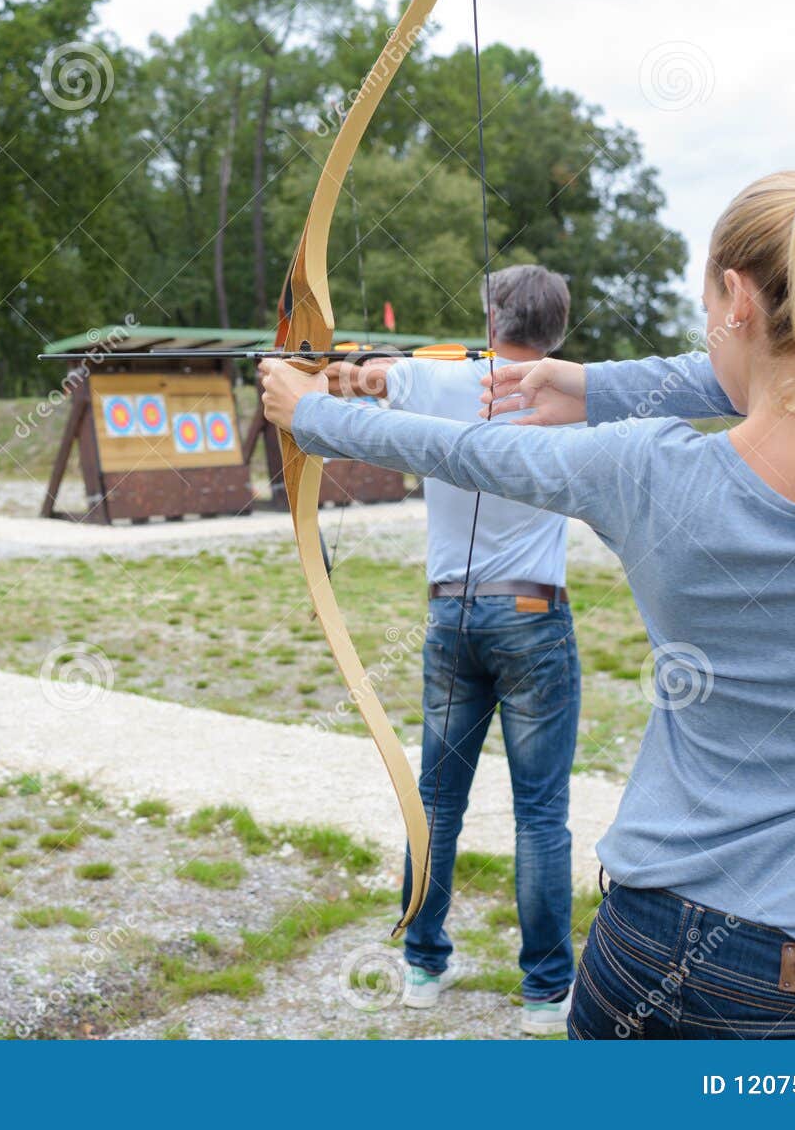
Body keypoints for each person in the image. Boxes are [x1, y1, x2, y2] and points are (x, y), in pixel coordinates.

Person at [262, 165, 795, 1039]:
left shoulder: (647, 469)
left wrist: (313, 413)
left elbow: (467, 452)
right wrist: (595, 383)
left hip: (646, 954)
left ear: (736, 297)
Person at [324, 265, 578, 1034]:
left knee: (436, 803)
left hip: (449, 622)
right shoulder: (573, 394)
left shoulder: (435, 381)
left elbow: (350, 384)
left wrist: (340, 367)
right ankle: (543, 995)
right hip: (533, 615)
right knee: (540, 815)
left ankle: (423, 968)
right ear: (557, 331)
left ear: (489, 314)